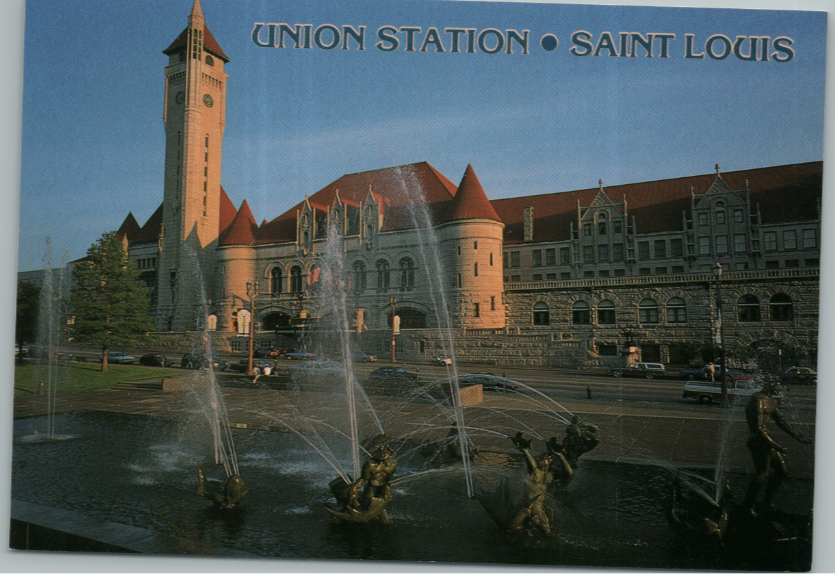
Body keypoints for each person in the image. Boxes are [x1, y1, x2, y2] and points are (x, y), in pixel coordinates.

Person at [743, 379, 812, 513]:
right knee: (762, 474)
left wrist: (798, 436)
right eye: (777, 387)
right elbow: (758, 429)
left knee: (782, 471)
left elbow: (781, 421)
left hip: (766, 440)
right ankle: (747, 506)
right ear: (769, 386)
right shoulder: (758, 400)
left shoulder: (770, 400)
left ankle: (766, 502)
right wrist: (776, 445)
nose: (779, 389)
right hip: (758, 441)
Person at [509, 432, 554, 533]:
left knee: (545, 528)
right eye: (541, 459)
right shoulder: (536, 473)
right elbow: (532, 464)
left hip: (540, 505)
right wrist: (525, 451)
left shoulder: (548, 475)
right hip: (533, 505)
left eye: (543, 459)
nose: (539, 461)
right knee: (546, 528)